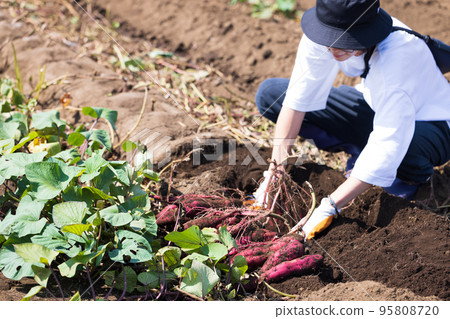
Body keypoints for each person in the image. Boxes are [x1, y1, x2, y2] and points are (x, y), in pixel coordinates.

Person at [253, 0, 450, 241]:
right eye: (329, 40)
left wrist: (331, 204)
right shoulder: (324, 31)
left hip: (431, 124)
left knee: (402, 154)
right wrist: (275, 173)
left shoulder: (398, 59)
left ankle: (408, 178)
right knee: (272, 94)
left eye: (346, 45)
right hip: (373, 104)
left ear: (368, 32)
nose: (334, 50)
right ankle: (359, 153)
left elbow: (390, 142)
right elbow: (297, 100)